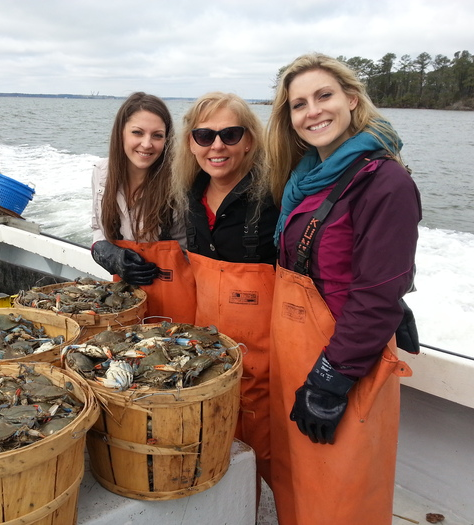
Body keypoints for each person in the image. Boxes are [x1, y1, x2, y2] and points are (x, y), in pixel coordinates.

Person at [265, 53, 421, 525]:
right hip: (297, 358)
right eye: (298, 104)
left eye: (324, 95)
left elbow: (378, 295)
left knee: (342, 501)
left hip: (343, 365)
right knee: (299, 488)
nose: (312, 111)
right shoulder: (305, 178)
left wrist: (332, 378)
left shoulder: (386, 182)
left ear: (352, 100)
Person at [171, 92, 279, 486]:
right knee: (215, 446)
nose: (217, 145)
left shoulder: (276, 193)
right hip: (208, 354)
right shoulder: (188, 193)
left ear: (250, 139)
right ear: (190, 143)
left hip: (267, 360)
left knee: (264, 450)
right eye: (204, 135)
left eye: (230, 134)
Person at [91, 92, 195, 323]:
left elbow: (192, 250)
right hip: (125, 297)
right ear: (121, 134)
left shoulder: (180, 180)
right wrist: (105, 252)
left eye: (157, 136)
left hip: (176, 299)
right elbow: (97, 226)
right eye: (137, 132)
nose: (147, 144)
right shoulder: (101, 173)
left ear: (167, 140)